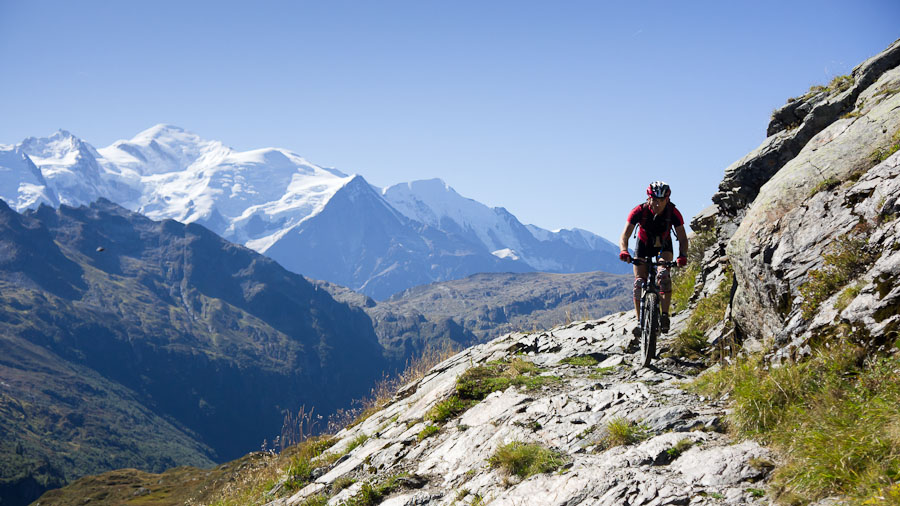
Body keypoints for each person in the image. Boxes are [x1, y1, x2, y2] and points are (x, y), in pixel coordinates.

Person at [618, 181, 689, 337]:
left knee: (664, 275)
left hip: (664, 246)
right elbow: (625, 235)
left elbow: (683, 239)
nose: (658, 204)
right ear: (648, 199)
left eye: (661, 200)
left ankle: (664, 316)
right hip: (643, 245)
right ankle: (639, 322)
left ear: (667, 200)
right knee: (639, 283)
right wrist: (624, 250)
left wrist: (682, 256)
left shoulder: (673, 213)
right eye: (654, 200)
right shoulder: (638, 211)